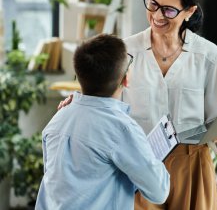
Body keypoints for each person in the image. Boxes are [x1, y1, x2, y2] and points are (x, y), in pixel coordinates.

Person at [57, 0, 217, 210]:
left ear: (189, 12)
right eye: (152, 4)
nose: (157, 15)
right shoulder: (124, 52)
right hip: (137, 165)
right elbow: (101, 99)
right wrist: (80, 103)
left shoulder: (210, 57)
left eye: (169, 9)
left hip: (191, 169)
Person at [36, 34, 170, 210]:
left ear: (78, 75)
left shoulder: (58, 119)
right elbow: (159, 191)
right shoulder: (122, 129)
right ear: (126, 78)